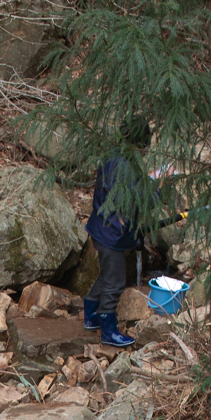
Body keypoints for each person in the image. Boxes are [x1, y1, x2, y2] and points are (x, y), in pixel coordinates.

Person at [84, 116, 164, 347]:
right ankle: (108, 330)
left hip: (101, 228)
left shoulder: (115, 157)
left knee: (106, 275)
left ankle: (90, 315)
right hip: (111, 234)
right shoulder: (124, 165)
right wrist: (157, 186)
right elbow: (134, 202)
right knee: (115, 282)